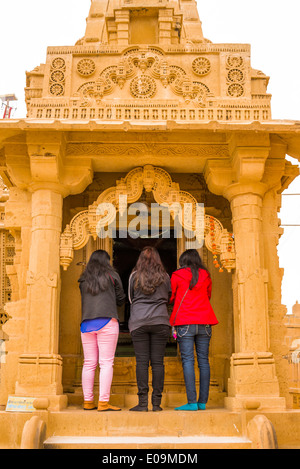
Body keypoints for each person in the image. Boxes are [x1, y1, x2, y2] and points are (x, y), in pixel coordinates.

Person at [169, 249, 218, 411]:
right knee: (203, 361)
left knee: (188, 361)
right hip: (205, 321)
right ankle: (202, 402)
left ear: (183, 261)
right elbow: (208, 295)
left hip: (185, 322)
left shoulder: (177, 275)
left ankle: (191, 402)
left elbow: (172, 296)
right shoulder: (206, 275)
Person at [78, 249, 125, 411]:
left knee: (89, 363)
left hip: (86, 324)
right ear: (107, 261)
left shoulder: (83, 279)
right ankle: (103, 402)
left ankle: (88, 401)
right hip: (107, 321)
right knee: (106, 363)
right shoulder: (112, 276)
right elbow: (121, 299)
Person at [128, 246, 171, 412]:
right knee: (158, 363)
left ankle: (143, 403)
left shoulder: (134, 276)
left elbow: (131, 299)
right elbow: (168, 296)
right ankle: (157, 404)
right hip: (160, 320)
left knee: (142, 362)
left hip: (139, 321)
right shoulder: (165, 276)